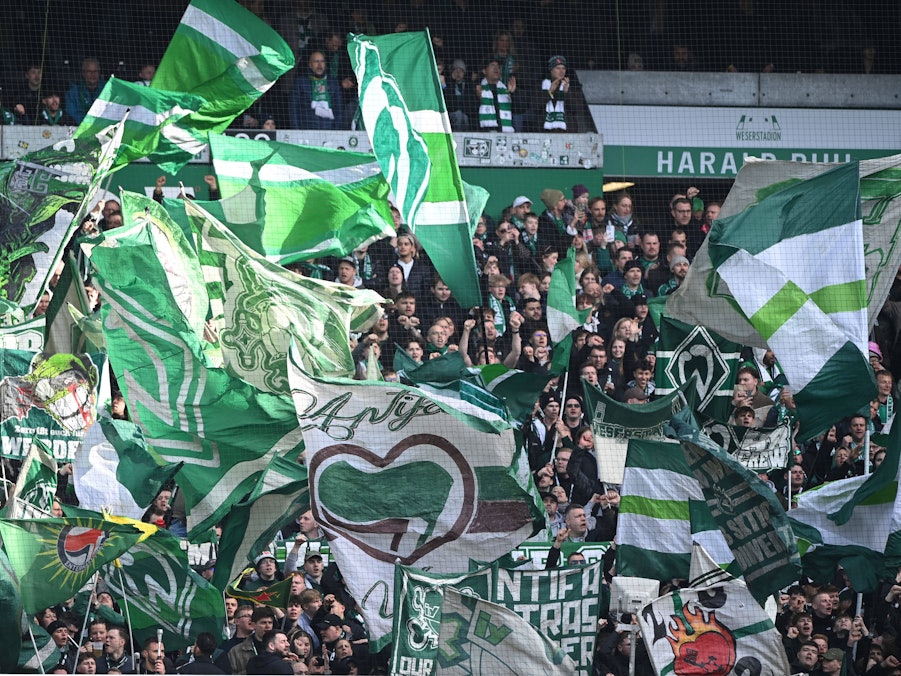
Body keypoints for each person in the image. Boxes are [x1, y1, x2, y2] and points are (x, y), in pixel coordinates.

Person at [290, 51, 343, 130]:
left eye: (322, 61)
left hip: (329, 129)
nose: (320, 65)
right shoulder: (301, 82)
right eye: (316, 62)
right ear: (310, 65)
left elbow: (339, 110)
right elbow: (293, 108)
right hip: (306, 129)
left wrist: (336, 131)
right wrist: (296, 130)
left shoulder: (333, 83)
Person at [477, 57, 515, 132]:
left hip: (507, 134)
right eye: (492, 65)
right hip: (485, 133)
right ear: (484, 71)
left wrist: (513, 93)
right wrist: (477, 98)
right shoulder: (478, 88)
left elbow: (520, 109)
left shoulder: (506, 89)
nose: (496, 68)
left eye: (498, 66)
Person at [65, 57, 105, 123]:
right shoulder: (73, 93)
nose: (93, 74)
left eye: (95, 71)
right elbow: (71, 114)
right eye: (89, 71)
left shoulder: (107, 90)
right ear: (83, 73)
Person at [542, 55, 569, 130]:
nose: (561, 71)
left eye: (563, 68)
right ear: (551, 70)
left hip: (565, 131)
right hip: (544, 130)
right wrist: (549, 92)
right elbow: (535, 107)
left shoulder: (569, 85)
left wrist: (566, 93)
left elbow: (575, 109)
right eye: (558, 68)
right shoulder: (542, 84)